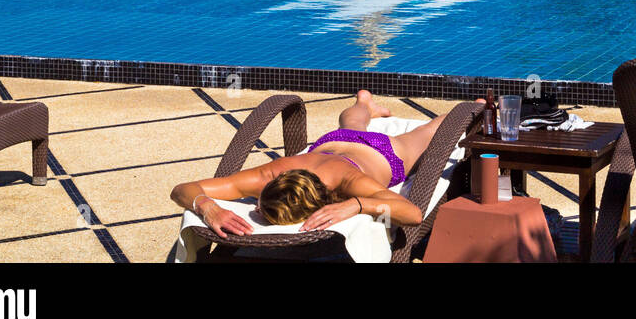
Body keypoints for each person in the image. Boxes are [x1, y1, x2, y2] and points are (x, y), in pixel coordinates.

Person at [171, 90, 467, 235]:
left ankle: (474, 107)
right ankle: (363, 104)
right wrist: (207, 206)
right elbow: (183, 188)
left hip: (380, 153)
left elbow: (412, 214)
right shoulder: (268, 174)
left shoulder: (350, 185)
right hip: (334, 142)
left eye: (259, 207)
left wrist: (357, 204)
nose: (257, 209)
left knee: (428, 132)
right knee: (352, 127)